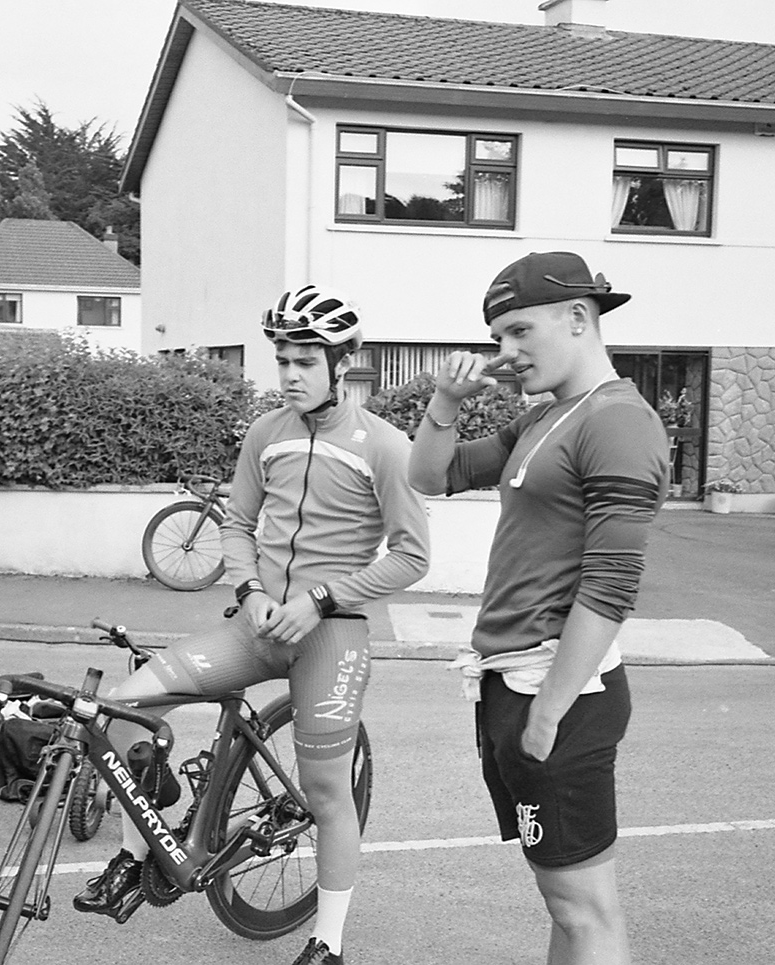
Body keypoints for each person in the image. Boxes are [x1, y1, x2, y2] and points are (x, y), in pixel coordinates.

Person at [74, 284, 431, 965]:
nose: (291, 374)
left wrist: (321, 600)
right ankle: (130, 857)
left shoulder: (384, 445)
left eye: (304, 361)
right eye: (283, 360)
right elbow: (237, 523)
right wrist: (249, 586)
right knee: (121, 708)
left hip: (331, 636)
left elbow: (412, 556)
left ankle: (328, 942)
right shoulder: (266, 434)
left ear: (341, 362)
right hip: (255, 625)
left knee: (327, 792)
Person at [407, 252, 667, 965]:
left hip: (556, 690)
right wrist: (447, 400)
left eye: (519, 332)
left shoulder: (619, 423)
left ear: (578, 318)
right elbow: (432, 474)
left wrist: (548, 713)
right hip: (512, 681)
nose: (506, 353)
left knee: (586, 910)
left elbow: (610, 586)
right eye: (497, 337)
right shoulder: (546, 418)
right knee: (566, 905)